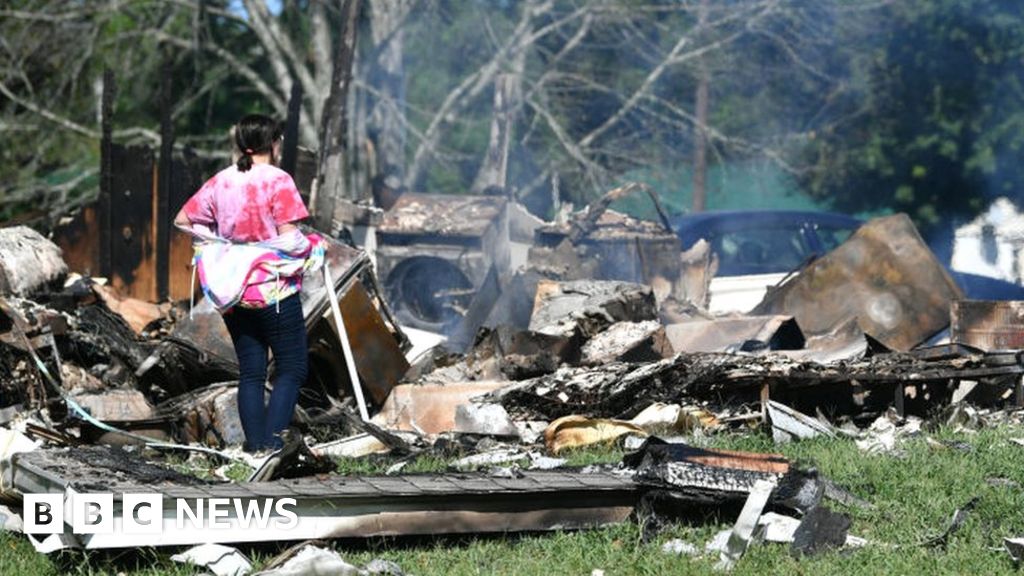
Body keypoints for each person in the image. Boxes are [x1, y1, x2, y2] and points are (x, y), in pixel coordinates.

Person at [174, 114, 322, 453]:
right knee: (293, 367)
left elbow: (182, 220)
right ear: (274, 143)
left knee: (252, 372)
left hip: (234, 292)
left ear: (240, 144)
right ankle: (271, 446)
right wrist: (313, 247)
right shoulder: (277, 180)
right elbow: (290, 239)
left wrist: (221, 245)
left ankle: (254, 448)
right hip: (273, 289)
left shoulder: (221, 180)